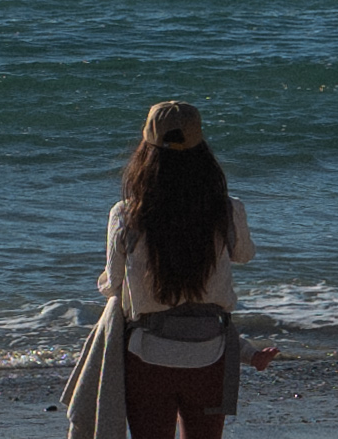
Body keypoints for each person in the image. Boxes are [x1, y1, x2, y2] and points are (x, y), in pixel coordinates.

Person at [99, 101, 278, 439]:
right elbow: (245, 254)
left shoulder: (125, 214)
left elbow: (112, 286)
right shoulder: (227, 210)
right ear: (202, 150)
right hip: (212, 357)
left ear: (144, 152)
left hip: (146, 355)